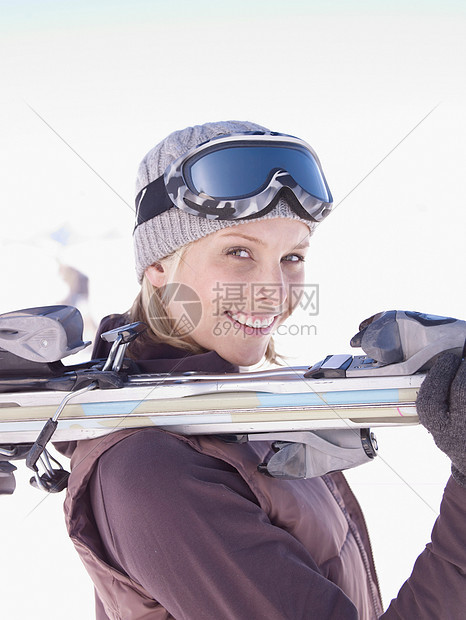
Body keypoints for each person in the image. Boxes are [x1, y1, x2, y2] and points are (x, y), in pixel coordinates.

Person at [62, 121, 466, 619]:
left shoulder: (245, 410)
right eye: (238, 252)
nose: (274, 290)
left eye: (292, 256)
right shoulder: (152, 470)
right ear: (158, 266)